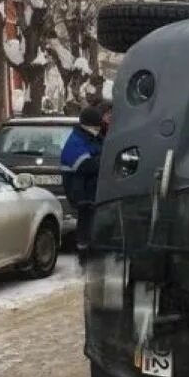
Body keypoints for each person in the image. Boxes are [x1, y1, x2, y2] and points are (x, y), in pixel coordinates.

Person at [61, 105, 105, 262]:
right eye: (96, 125)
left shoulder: (92, 138)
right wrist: (104, 160)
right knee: (86, 221)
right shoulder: (76, 141)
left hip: (93, 190)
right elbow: (85, 165)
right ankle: (84, 254)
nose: (98, 129)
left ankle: (91, 250)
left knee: (92, 222)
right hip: (81, 191)